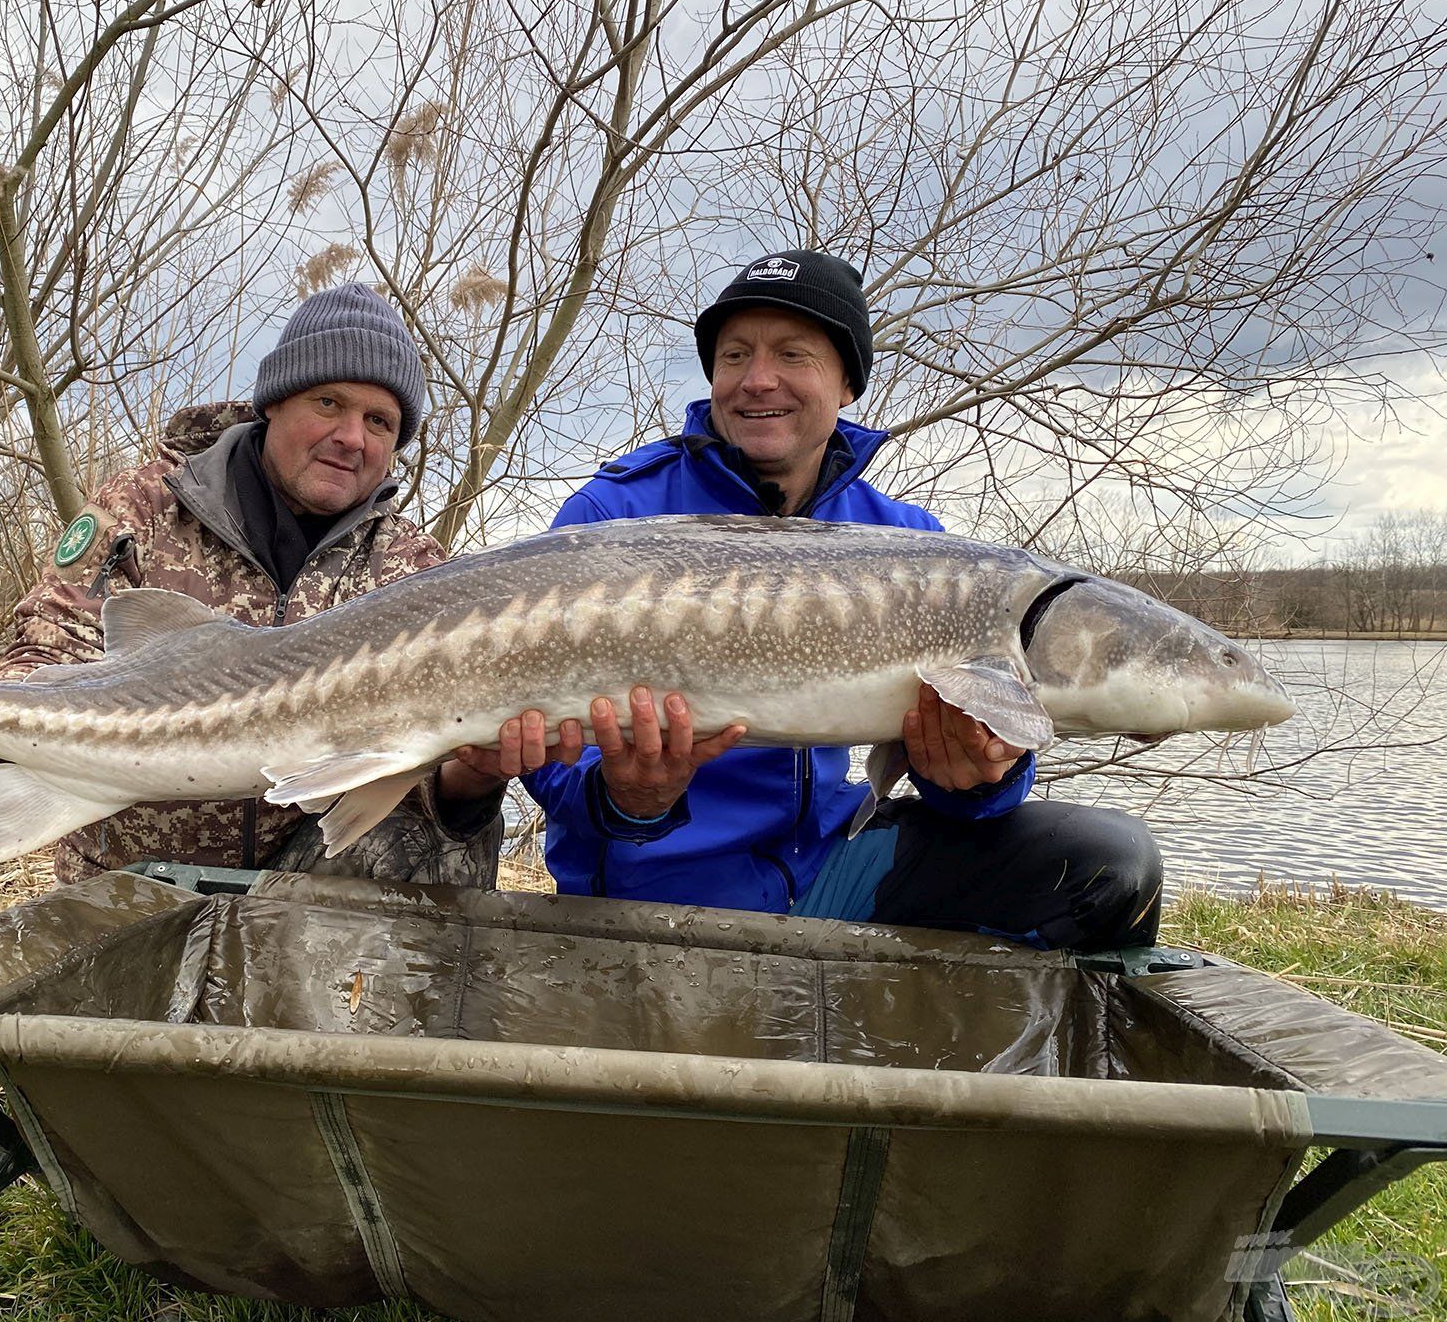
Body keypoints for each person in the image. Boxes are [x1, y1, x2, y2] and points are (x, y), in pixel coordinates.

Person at [466, 250, 1163, 950]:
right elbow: (542, 747)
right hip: (655, 897)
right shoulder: (614, 518)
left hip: (831, 867)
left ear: (847, 383)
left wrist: (979, 779)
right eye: (734, 354)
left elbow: (973, 764)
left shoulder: (910, 542)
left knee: (1108, 866)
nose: (756, 379)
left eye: (791, 354)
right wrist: (626, 799)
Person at [0, 282, 522, 886]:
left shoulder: (419, 572)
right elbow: (49, 649)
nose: (351, 437)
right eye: (329, 403)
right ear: (274, 402)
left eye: (380, 421)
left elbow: (415, 777)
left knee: (451, 836)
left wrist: (474, 779)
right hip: (133, 880)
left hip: (302, 895)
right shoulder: (141, 507)